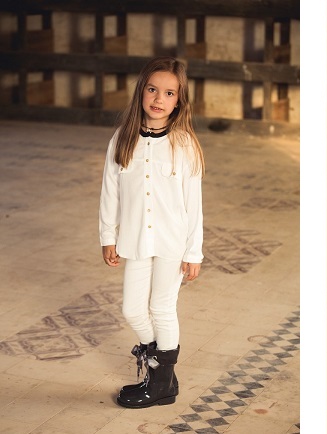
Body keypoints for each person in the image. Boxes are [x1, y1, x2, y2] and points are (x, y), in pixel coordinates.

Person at [99, 56, 205, 407]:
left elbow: (193, 203)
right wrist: (108, 236)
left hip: (173, 242)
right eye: (153, 90)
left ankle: (159, 384)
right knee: (132, 309)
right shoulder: (122, 139)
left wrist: (194, 253)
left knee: (162, 308)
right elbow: (109, 192)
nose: (159, 99)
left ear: (179, 101)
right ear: (141, 92)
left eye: (169, 93)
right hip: (136, 239)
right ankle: (164, 375)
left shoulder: (184, 144)